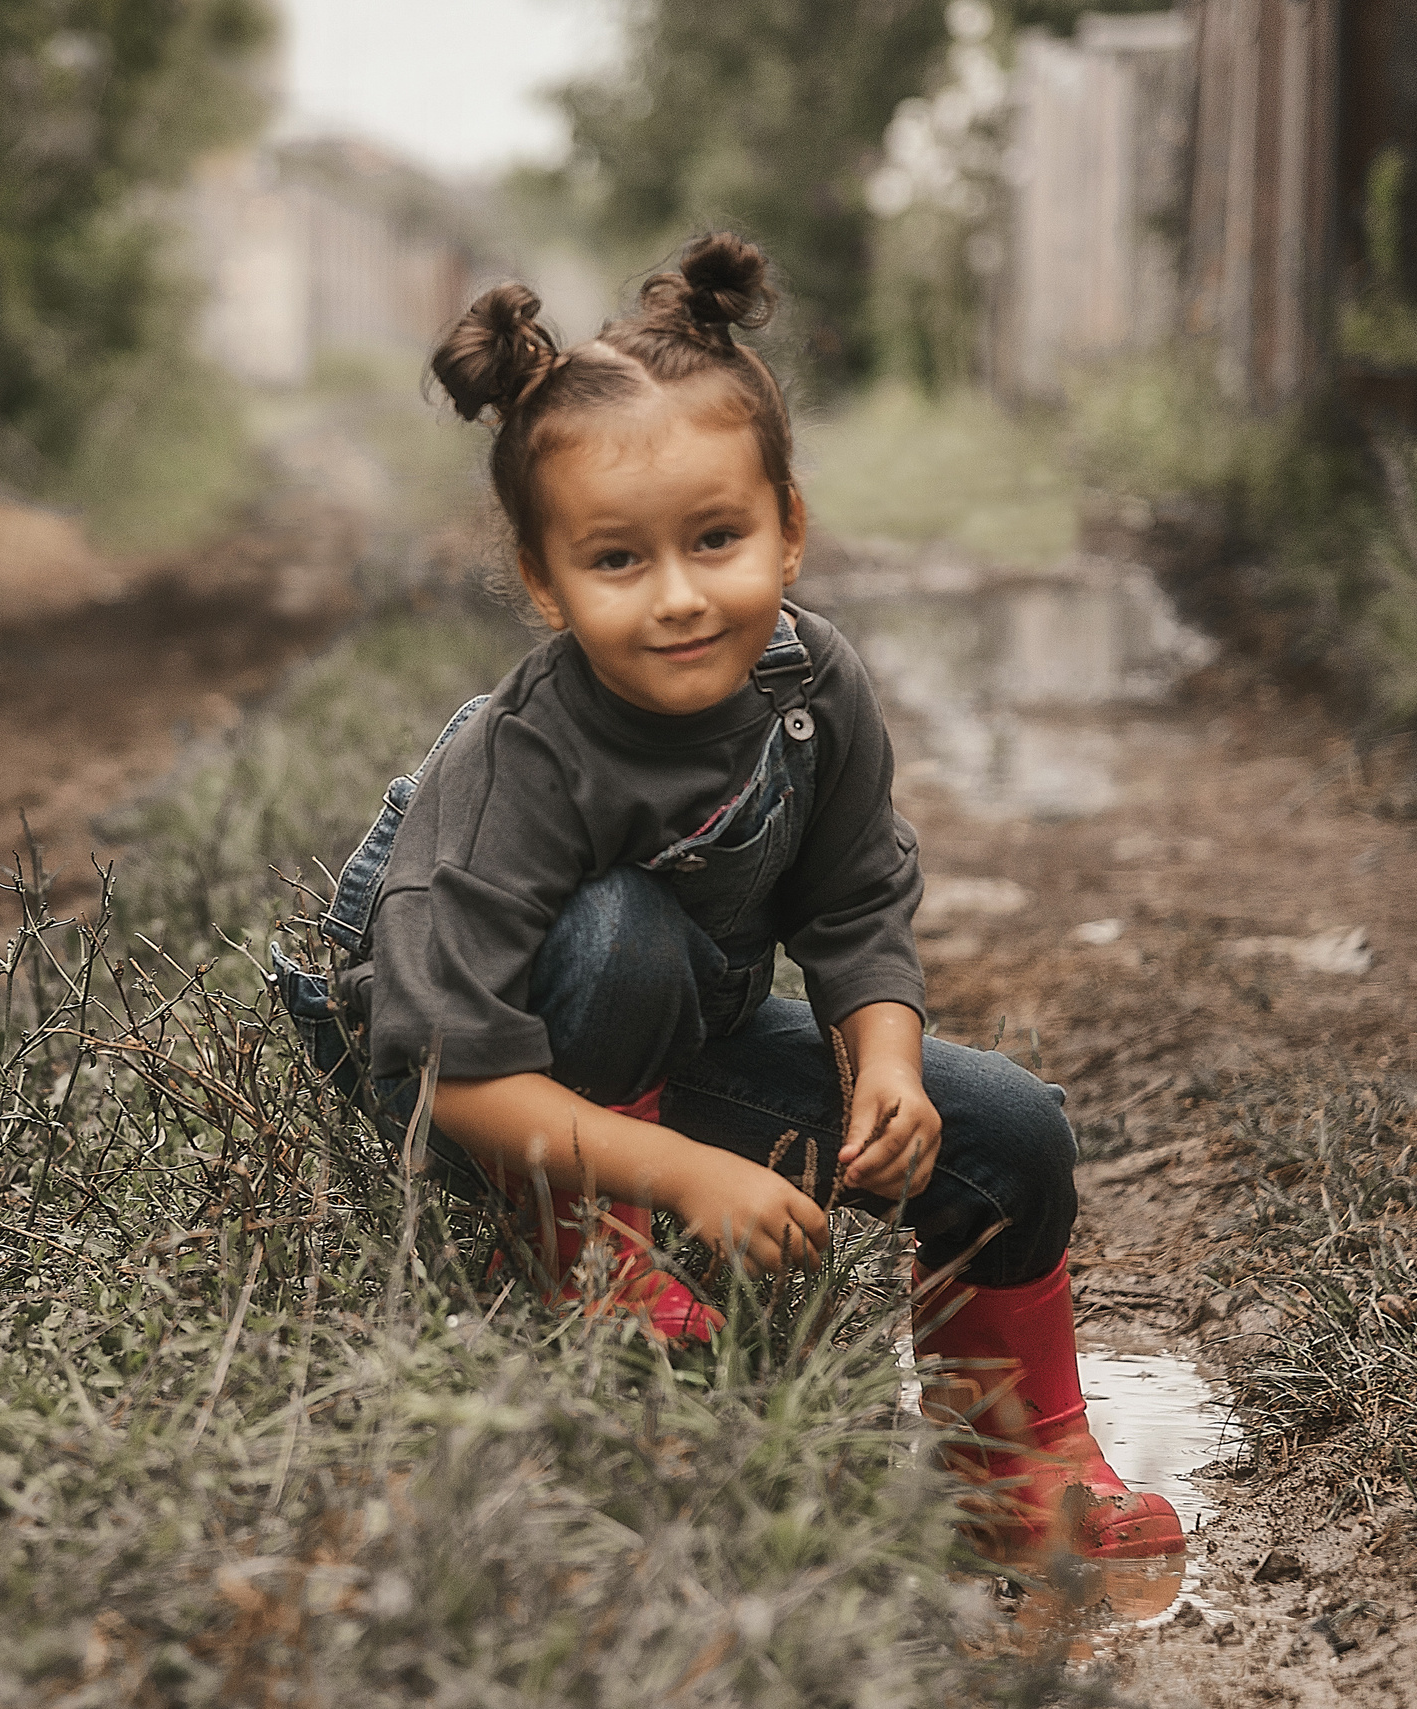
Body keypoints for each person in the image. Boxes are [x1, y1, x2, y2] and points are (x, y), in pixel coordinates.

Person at [274, 232, 1182, 1566]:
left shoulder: (812, 688)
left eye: (717, 538)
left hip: (675, 1038)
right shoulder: (518, 760)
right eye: (618, 561)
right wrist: (686, 1173)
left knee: (1016, 1131)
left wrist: (887, 1058)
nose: (683, 596)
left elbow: (855, 902)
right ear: (543, 582)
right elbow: (448, 1071)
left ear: (790, 528)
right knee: (625, 931)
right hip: (484, 1072)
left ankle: (1015, 1458)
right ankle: (583, 1258)